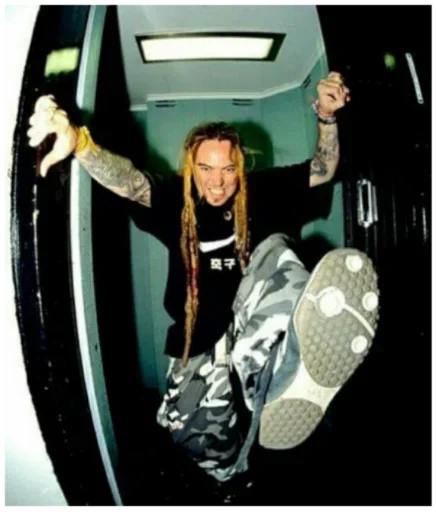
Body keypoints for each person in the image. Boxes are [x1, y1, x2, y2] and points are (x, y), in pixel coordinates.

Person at [27, 72, 379, 484]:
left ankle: (285, 369)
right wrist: (81, 145)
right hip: (197, 338)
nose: (218, 182)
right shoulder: (176, 199)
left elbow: (322, 168)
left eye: (228, 169)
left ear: (240, 166)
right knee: (199, 443)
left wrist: (327, 117)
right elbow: (131, 183)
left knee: (275, 250)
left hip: (256, 323)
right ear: (190, 166)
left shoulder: (261, 190)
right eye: (206, 169)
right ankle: (231, 475)